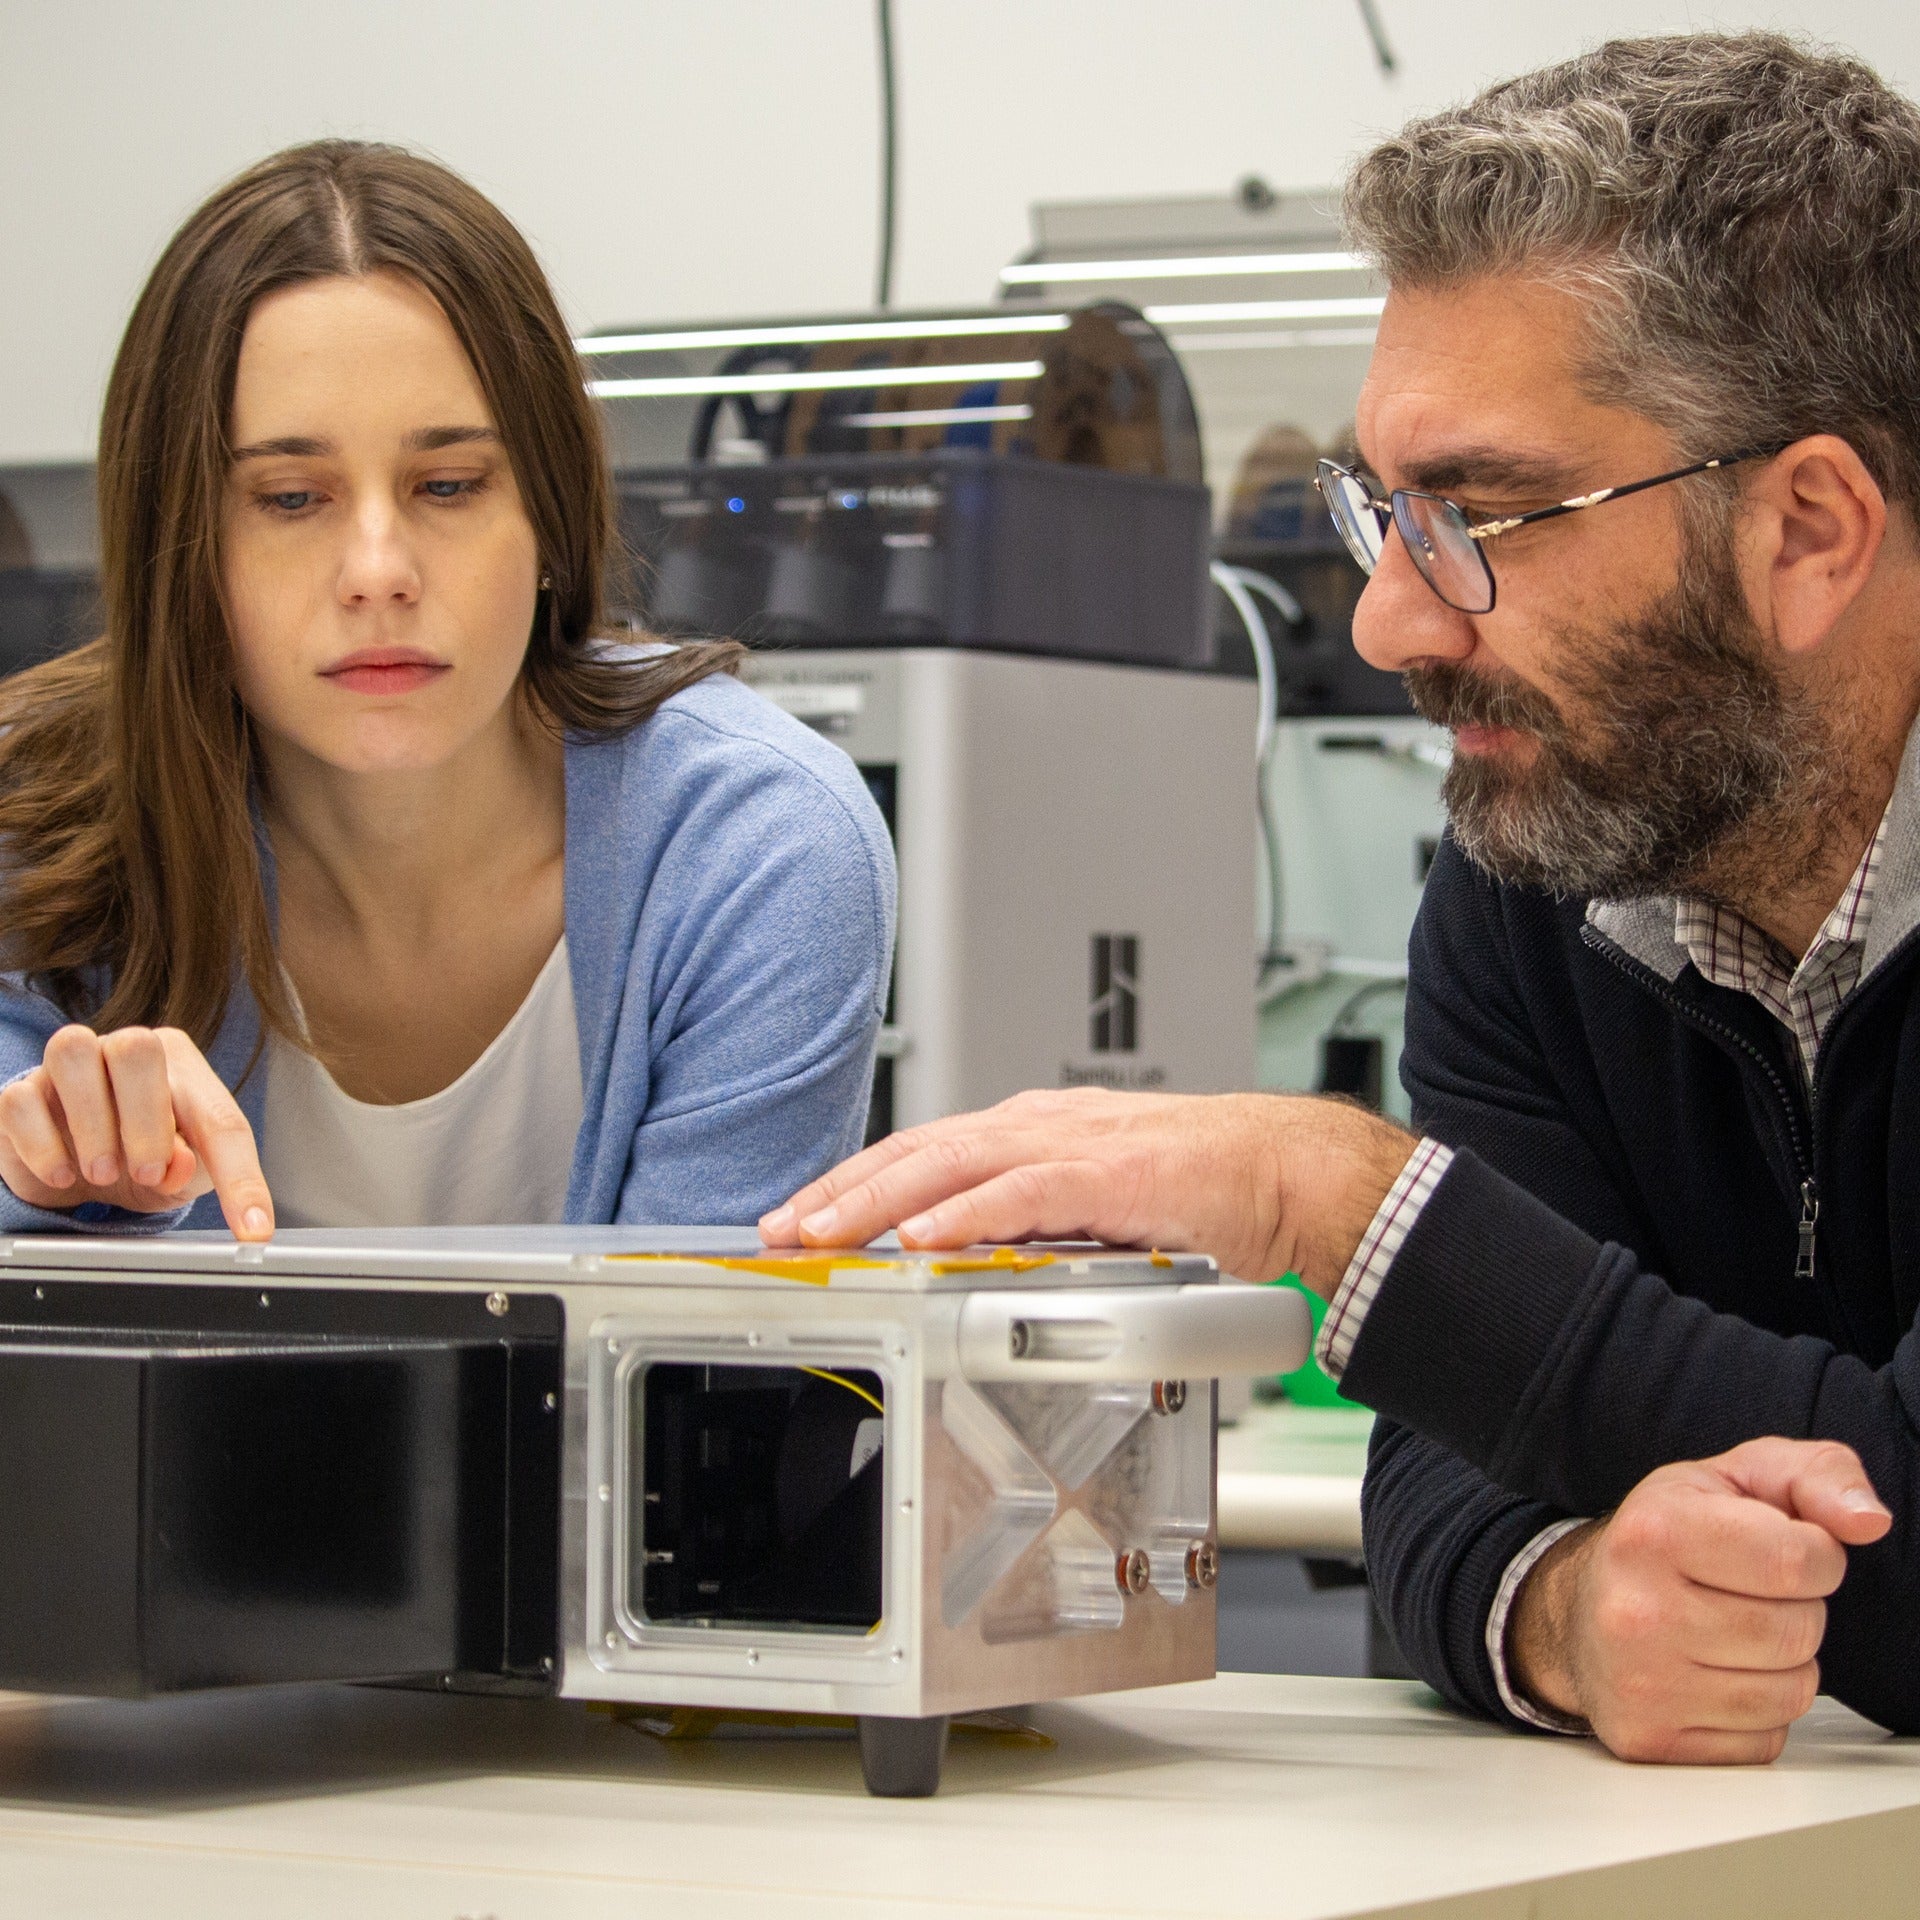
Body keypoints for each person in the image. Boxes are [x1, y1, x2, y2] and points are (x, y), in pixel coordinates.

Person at [762, 32, 1920, 1765]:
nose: (1388, 621)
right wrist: (1569, 1613)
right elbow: (1447, 1475)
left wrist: (1340, 1203)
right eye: (1386, 512)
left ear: (1810, 531)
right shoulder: (1536, 882)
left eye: (1482, 516)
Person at [0, 140, 893, 1238]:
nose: (379, 572)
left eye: (450, 485)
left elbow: (696, 1348)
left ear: (551, 517)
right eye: (290, 498)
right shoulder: (30, 822)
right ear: (177, 545)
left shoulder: (761, 851)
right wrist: (53, 1197)